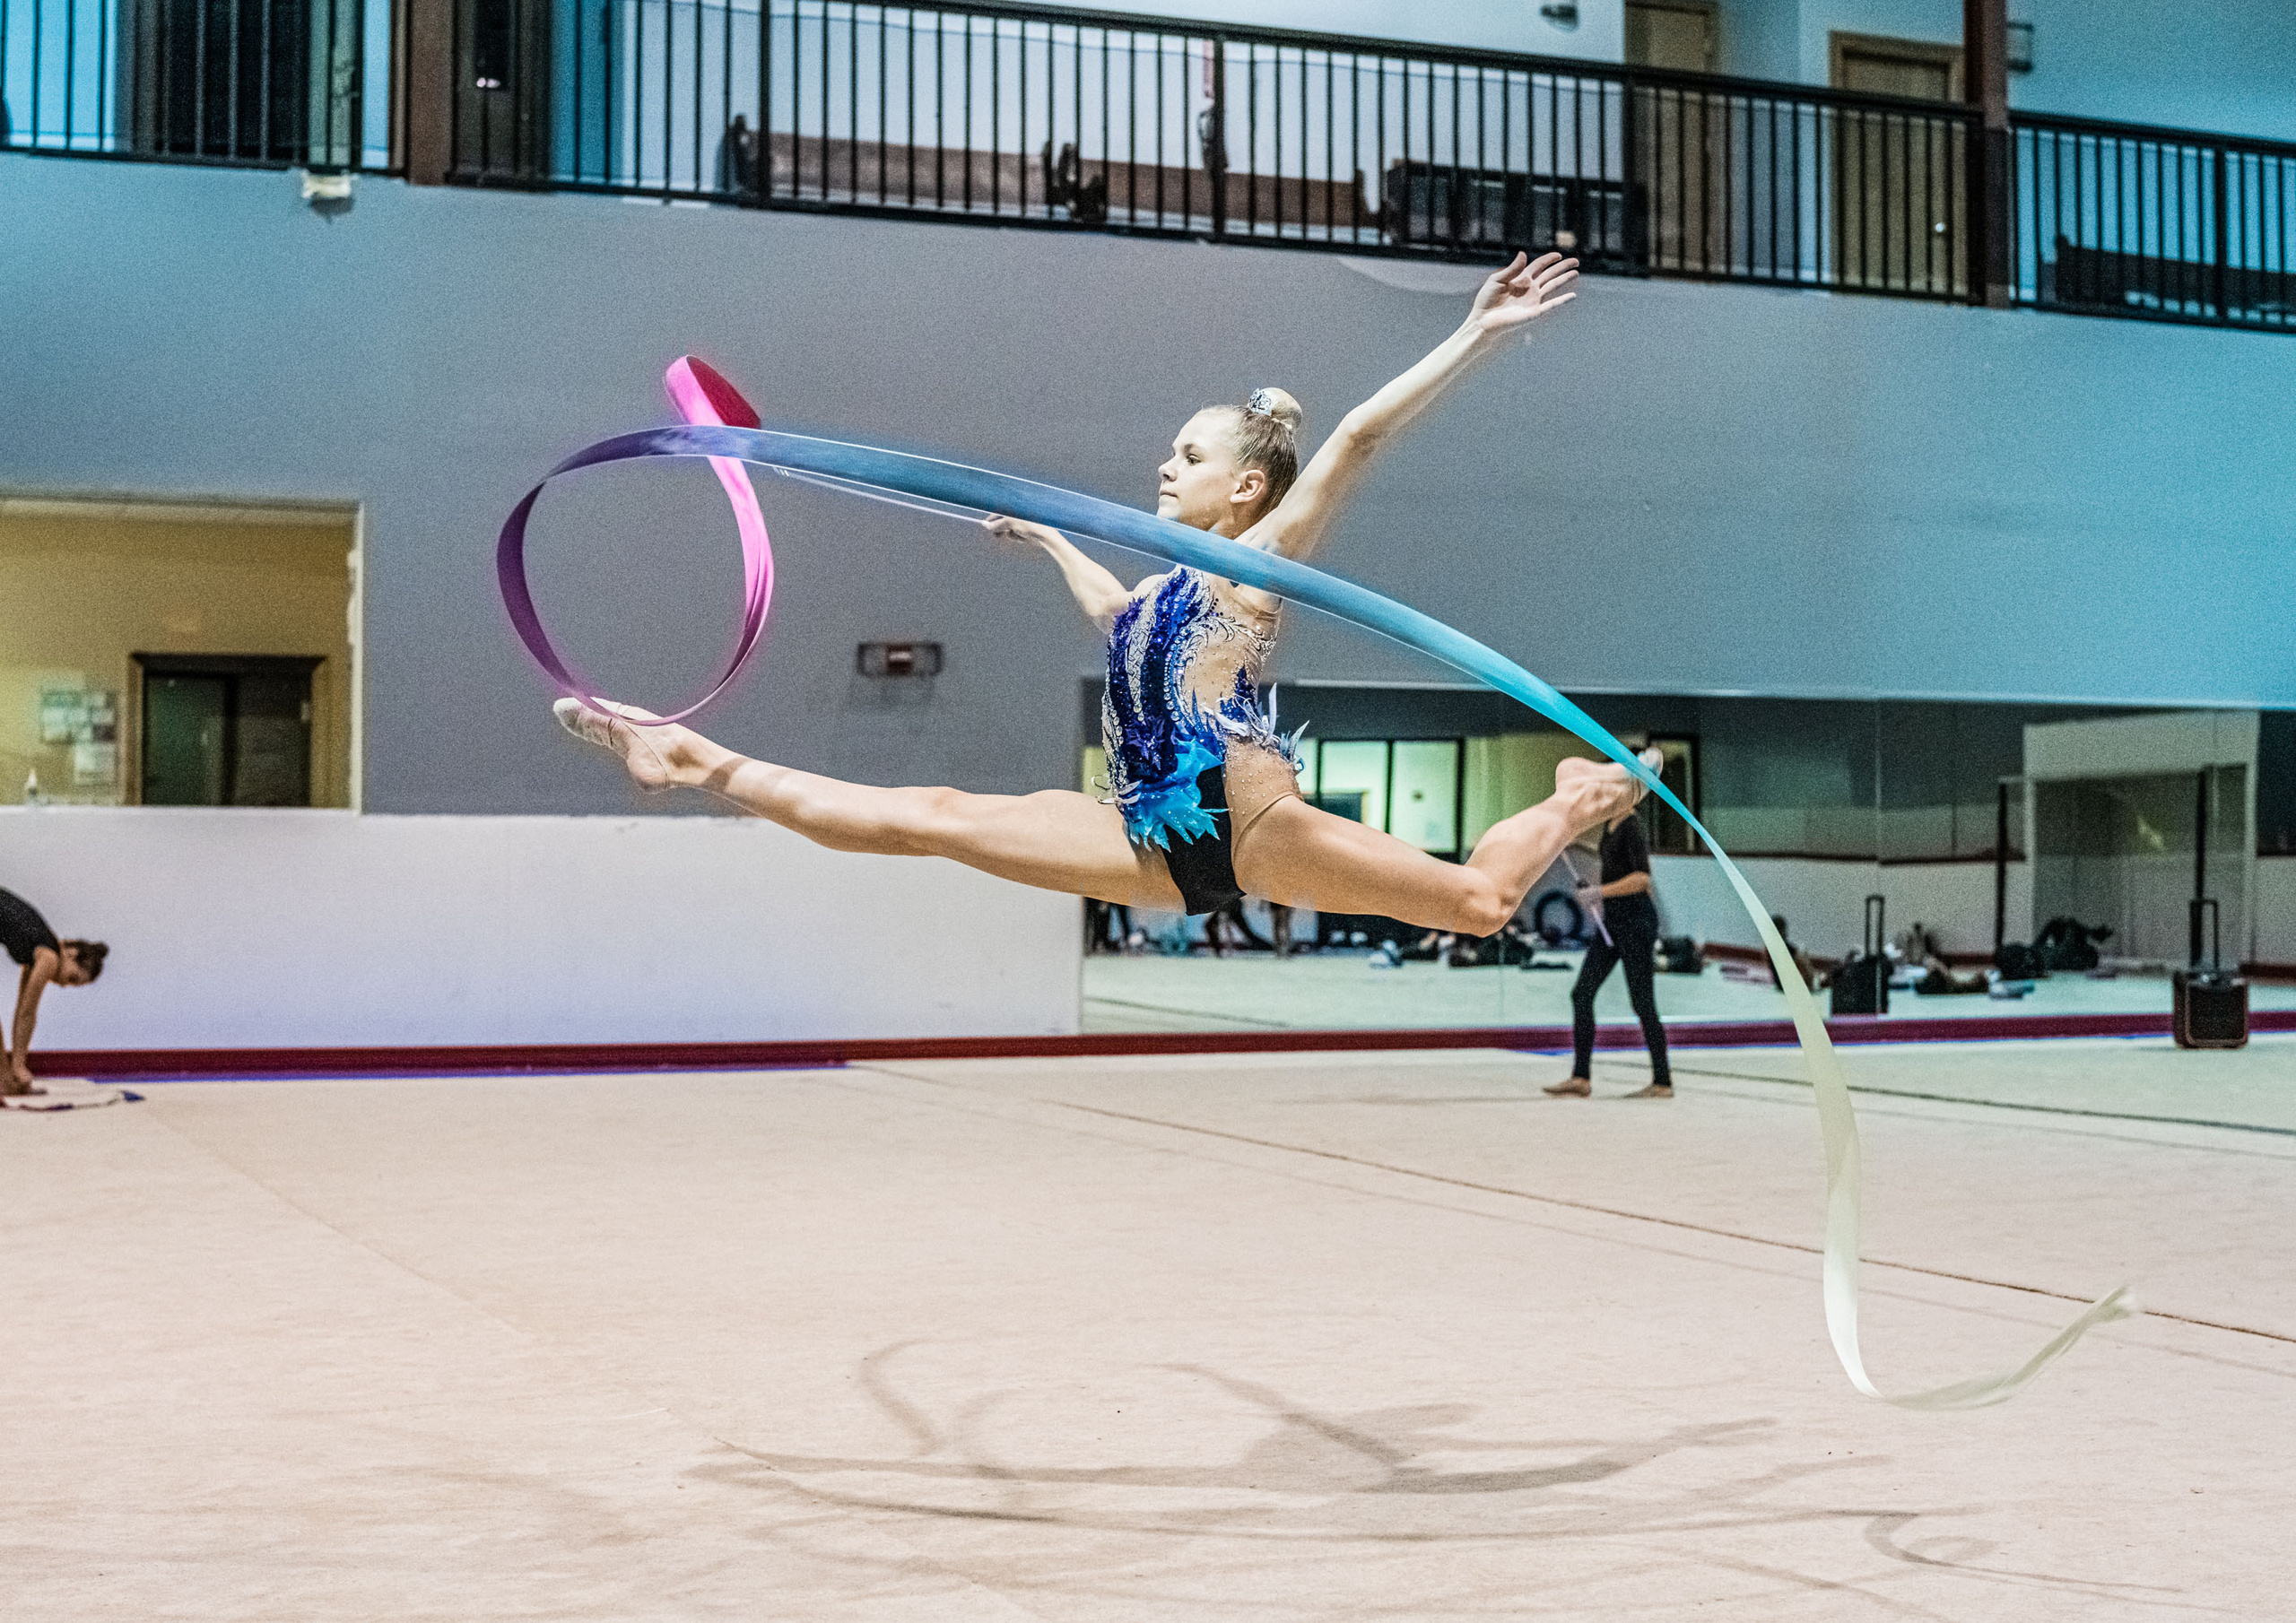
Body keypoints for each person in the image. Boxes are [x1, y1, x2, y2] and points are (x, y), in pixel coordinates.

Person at [555, 252, 1653, 949]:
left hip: (1250, 823)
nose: (1164, 470)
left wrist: (1474, 331)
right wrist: (1044, 542)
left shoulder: (1258, 559)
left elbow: (1357, 437)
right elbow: (1116, 615)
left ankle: (1569, 798)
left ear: (1248, 488)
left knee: (1477, 903)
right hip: (1142, 835)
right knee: (925, 816)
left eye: (1188, 456)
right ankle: (691, 759)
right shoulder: (1163, 593)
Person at [1544, 803, 1672, 1098]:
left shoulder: (1633, 828)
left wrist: (1598, 892)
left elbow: (1642, 879)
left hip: (1636, 923)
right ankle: (1580, 1078)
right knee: (1582, 993)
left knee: (1642, 1003)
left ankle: (1663, 1081)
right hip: (1614, 922)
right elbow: (1616, 871)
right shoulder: (1610, 825)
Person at [2, 887, 108, 1097]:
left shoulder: (37, 953)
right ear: (70, 953)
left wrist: (17, 1065)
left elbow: (22, 1009)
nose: (63, 985)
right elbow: (27, 1013)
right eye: (72, 979)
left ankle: (6, 1079)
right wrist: (18, 1066)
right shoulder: (49, 957)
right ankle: (4, 1079)